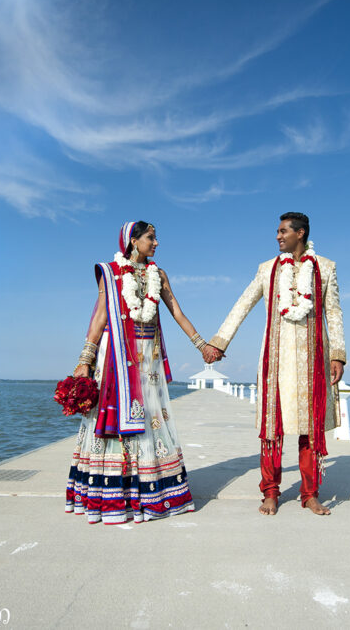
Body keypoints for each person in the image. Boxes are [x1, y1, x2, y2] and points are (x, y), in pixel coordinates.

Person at [66, 221, 212, 524]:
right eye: (151, 238)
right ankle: (114, 495)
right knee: (116, 422)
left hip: (149, 361)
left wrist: (202, 345)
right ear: (133, 241)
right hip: (116, 356)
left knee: (150, 422)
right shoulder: (112, 272)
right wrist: (85, 358)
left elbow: (177, 312)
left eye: (156, 238)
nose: (156, 243)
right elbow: (101, 316)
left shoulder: (159, 275)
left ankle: (149, 491)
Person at [203, 212, 346, 516]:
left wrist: (338, 355)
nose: (278, 236)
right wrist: (219, 341)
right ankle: (270, 492)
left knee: (311, 430)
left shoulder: (326, 268)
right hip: (275, 362)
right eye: (277, 231)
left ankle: (310, 494)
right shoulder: (267, 269)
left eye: (283, 231)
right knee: (272, 430)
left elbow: (333, 314)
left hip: (313, 362)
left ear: (301, 233)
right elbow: (242, 303)